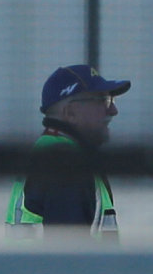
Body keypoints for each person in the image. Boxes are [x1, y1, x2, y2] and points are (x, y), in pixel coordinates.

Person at [7, 63, 130, 235]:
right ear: (70, 112)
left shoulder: (49, 152)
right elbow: (69, 258)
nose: (113, 110)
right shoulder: (65, 164)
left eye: (111, 100)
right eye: (102, 100)